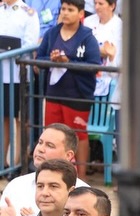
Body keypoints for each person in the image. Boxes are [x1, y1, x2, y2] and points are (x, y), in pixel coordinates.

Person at [36, 0, 102, 180]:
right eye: (63, 9)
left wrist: (68, 62)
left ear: (81, 13)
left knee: (78, 135)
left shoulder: (88, 37)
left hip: (78, 95)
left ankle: (80, 178)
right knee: (52, 134)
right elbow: (39, 58)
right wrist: (51, 59)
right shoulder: (52, 33)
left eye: (70, 9)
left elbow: (95, 65)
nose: (65, 13)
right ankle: (51, 175)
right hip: (54, 94)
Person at [0, 124, 89, 216]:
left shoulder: (84, 193)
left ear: (68, 155)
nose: (40, 149)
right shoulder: (16, 185)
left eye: (50, 146)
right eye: (40, 142)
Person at [1, 0, 39, 168]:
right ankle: (2, 161)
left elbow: (30, 45)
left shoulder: (27, 13)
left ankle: (17, 163)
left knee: (20, 119)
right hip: (2, 74)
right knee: (3, 118)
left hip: (18, 75)